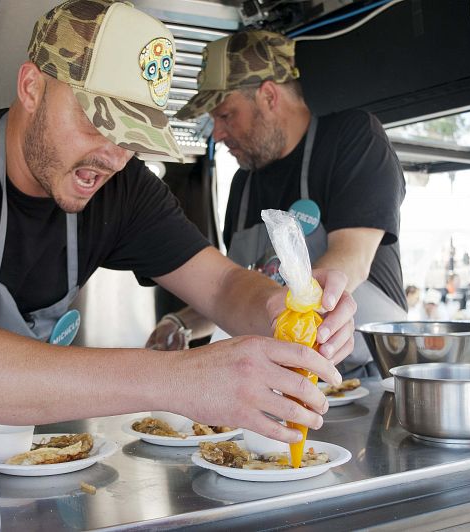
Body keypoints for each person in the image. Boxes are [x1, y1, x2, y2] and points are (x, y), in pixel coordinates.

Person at [0, 0, 357, 446]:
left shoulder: (123, 185)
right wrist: (181, 379)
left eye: (132, 136)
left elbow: (223, 286)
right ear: (32, 88)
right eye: (97, 122)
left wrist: (283, 309)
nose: (112, 156)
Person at [147, 30, 407, 379]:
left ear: (269, 96)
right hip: (286, 376)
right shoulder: (244, 182)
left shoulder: (352, 139)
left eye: (225, 115)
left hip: (366, 377)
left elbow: (351, 260)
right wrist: (181, 323)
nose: (217, 133)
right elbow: (235, 290)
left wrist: (302, 317)